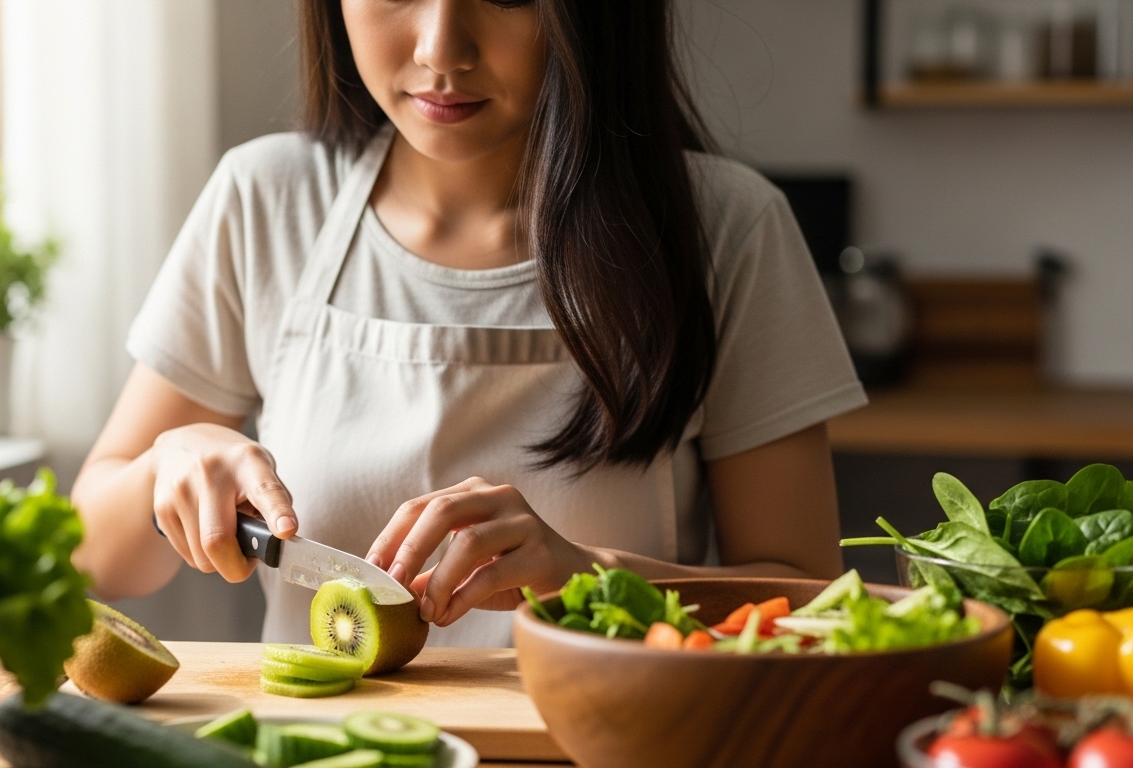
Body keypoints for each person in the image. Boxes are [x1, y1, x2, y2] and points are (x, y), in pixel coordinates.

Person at [70, 0, 868, 647]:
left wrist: (587, 574)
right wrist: (164, 468)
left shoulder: (727, 229)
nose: (441, 47)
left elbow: (811, 601)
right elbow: (87, 555)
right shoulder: (265, 200)